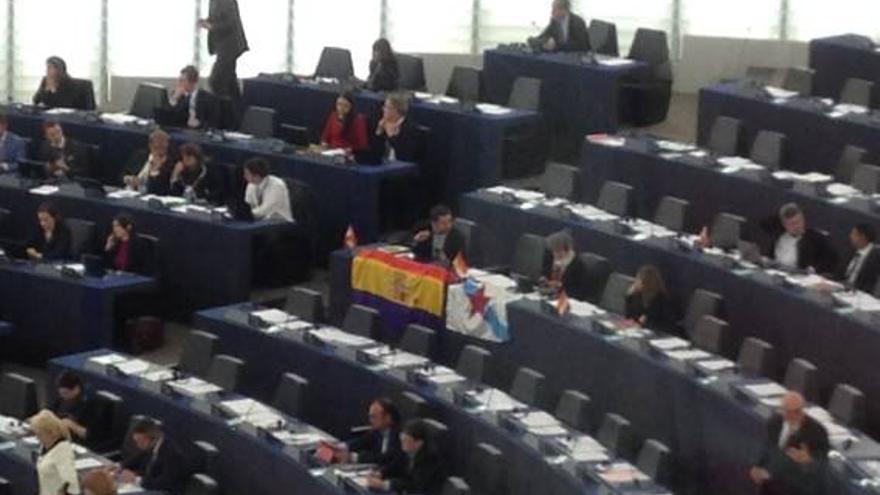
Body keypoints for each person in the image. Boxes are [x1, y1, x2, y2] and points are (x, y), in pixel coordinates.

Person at [750, 391, 829, 495]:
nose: (785, 415)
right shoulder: (774, 422)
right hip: (770, 486)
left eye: (789, 412)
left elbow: (822, 466)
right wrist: (757, 466)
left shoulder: (817, 432)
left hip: (796, 488)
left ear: (800, 411)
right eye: (783, 410)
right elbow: (767, 447)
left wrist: (808, 460)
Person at [367, 419, 446, 495]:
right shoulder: (407, 450)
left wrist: (384, 484)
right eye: (401, 438)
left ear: (419, 443)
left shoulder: (430, 459)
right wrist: (380, 473)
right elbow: (396, 466)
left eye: (406, 440)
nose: (402, 442)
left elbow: (413, 484)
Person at [118, 418, 190, 494]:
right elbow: (137, 458)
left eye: (140, 441)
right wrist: (119, 466)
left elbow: (164, 483)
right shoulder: (151, 445)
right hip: (147, 486)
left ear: (153, 438)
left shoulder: (172, 453)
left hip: (165, 491)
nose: (138, 445)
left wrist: (136, 479)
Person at [764, 203, 838, 275]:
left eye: (799, 221)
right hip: (775, 271)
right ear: (784, 225)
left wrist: (814, 269)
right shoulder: (778, 235)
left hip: (800, 276)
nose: (797, 226)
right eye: (792, 224)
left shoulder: (815, 238)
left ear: (803, 219)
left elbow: (831, 259)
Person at [198, 0, 249, 104]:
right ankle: (236, 112)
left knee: (216, 81)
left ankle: (224, 112)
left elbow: (231, 22)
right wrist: (206, 21)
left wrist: (211, 27)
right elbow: (217, 17)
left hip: (230, 46)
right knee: (229, 82)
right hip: (222, 46)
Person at [333, 398, 403, 468]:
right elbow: (361, 442)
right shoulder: (376, 432)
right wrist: (341, 446)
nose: (370, 420)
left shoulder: (399, 437)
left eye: (374, 417)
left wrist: (353, 457)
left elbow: (386, 458)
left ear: (388, 418)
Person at [30, 409, 82, 495]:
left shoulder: (62, 452)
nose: (37, 438)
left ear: (51, 433)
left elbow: (71, 485)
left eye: (39, 434)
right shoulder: (45, 445)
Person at [625, 265, 677, 333]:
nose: (635, 282)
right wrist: (629, 296)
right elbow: (629, 316)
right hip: (637, 331)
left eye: (638, 279)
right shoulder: (636, 296)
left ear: (646, 282)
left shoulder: (661, 299)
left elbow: (664, 324)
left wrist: (645, 322)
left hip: (657, 334)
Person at [166, 66, 221, 130]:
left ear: (193, 83)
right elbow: (168, 118)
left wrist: (200, 126)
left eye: (182, 81)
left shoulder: (208, 98)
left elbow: (213, 122)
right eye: (179, 80)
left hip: (200, 132)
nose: (179, 84)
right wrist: (174, 99)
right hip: (182, 130)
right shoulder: (178, 95)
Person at [540, 230, 589, 300]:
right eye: (553, 251)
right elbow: (545, 272)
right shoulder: (549, 256)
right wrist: (544, 279)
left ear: (568, 249)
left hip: (565, 299)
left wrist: (560, 286)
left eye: (558, 251)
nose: (555, 254)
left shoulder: (578, 265)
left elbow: (579, 292)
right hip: (547, 294)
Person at [123, 130, 174, 195]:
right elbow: (123, 175)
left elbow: (162, 189)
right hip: (129, 192)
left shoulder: (171, 163)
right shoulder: (140, 156)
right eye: (157, 147)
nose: (160, 151)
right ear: (150, 145)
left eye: (163, 148)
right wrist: (128, 179)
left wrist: (155, 169)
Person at [375, 92, 421, 163]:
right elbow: (374, 149)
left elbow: (405, 154)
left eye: (387, 107)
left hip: (400, 166)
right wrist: (379, 131)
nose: (383, 109)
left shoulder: (409, 128)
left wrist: (390, 135)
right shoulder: (382, 123)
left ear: (397, 110)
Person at [50, 372, 93, 442]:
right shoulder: (61, 400)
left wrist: (71, 425)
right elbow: (50, 413)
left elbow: (88, 435)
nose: (62, 396)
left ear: (76, 389)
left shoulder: (89, 406)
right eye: (61, 393)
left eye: (66, 393)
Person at [841, 223, 880, 293]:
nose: (850, 236)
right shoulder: (851, 250)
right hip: (842, 287)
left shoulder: (876, 257)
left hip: (860, 293)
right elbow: (840, 273)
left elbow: (872, 284)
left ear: (863, 237)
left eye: (853, 234)